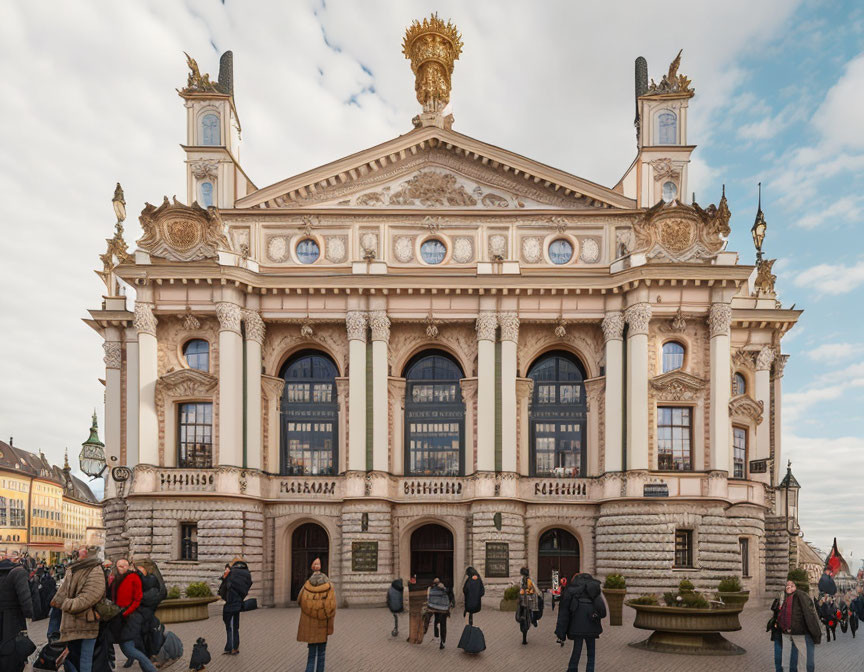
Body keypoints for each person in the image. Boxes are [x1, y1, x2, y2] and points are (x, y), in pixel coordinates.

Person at [51, 545, 106, 672]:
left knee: (85, 660)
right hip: (69, 622)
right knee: (70, 659)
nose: (81, 550)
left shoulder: (95, 569)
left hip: (86, 622)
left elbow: (91, 595)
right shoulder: (73, 568)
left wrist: (66, 604)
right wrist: (56, 602)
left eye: (85, 549)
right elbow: (64, 590)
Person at [110, 558, 157, 672]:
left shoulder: (134, 577)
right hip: (119, 617)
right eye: (118, 566)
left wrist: (127, 612)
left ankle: (151, 669)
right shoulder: (116, 578)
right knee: (126, 647)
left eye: (122, 566)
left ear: (127, 566)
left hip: (130, 617)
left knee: (129, 648)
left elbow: (137, 598)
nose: (120, 568)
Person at [554, 573, 606, 672]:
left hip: (576, 626)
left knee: (577, 650)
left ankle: (572, 669)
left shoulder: (570, 591)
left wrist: (561, 634)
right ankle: (590, 670)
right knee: (591, 653)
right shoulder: (594, 590)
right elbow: (603, 612)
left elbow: (563, 614)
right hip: (592, 625)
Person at [297, 557, 335, 672]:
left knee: (311, 655)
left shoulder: (306, 586)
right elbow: (331, 608)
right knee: (321, 654)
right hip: (322, 626)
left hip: (310, 627)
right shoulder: (329, 586)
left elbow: (299, 600)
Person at [777, 579, 821, 672]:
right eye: (787, 585)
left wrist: (816, 634)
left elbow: (809, 615)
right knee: (792, 663)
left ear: (795, 586)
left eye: (791, 585)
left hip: (803, 634)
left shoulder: (801, 596)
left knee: (805, 664)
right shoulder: (786, 597)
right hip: (791, 635)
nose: (788, 587)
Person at [0, 551, 34, 672]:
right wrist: (30, 614)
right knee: (13, 654)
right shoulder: (18, 572)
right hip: (13, 620)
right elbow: (25, 599)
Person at [135, 559, 167, 660]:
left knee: (148, 631)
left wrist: (139, 598)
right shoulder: (151, 578)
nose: (138, 572)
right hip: (146, 609)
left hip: (147, 609)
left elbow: (151, 595)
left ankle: (150, 654)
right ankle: (149, 654)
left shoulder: (151, 579)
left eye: (140, 570)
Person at [220, 557, 252, 655]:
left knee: (230, 626)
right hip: (238, 602)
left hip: (231, 602)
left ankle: (232, 648)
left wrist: (224, 577)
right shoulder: (247, 573)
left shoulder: (232, 572)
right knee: (235, 626)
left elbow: (224, 587)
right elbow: (248, 584)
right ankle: (232, 647)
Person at [768, 596, 798, 672]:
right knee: (790, 660)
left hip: (782, 632)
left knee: (784, 660)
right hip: (786, 633)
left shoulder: (780, 598)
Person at [515, 567, 542, 645]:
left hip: (522, 601)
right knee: (534, 610)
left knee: (521, 612)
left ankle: (522, 621)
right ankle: (534, 620)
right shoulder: (530, 580)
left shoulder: (521, 580)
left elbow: (519, 589)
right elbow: (536, 589)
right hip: (530, 600)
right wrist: (540, 595)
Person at [425, 578, 454, 650]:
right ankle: (442, 641)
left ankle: (437, 637)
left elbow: (429, 599)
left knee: (437, 621)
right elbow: (450, 594)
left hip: (436, 608)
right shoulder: (445, 589)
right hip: (443, 609)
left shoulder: (432, 589)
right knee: (443, 624)